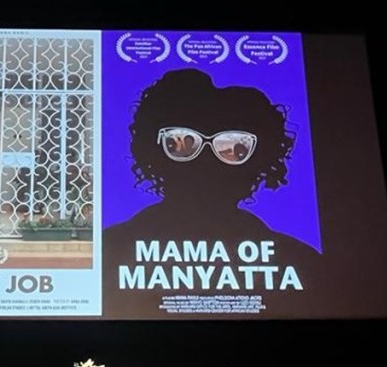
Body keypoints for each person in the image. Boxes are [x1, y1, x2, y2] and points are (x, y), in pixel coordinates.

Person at [102, 68, 334, 319]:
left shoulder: (303, 264)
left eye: (234, 147)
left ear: (261, 160)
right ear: (152, 151)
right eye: (181, 142)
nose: (206, 161)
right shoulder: (106, 252)